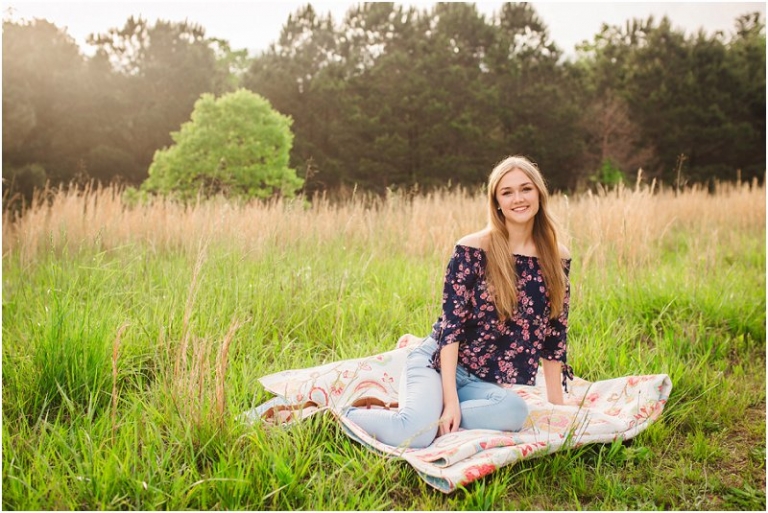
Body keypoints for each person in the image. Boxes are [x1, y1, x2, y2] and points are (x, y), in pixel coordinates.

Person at [343, 155, 574, 449]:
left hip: (482, 383)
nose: (518, 198)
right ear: (496, 202)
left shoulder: (557, 256)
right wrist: (450, 401)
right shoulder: (472, 248)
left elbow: (554, 333)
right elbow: (450, 329)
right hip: (438, 365)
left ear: (539, 193)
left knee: (515, 412)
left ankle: (425, 412)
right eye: (507, 192)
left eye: (526, 189)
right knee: (415, 435)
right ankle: (342, 414)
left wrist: (557, 407)